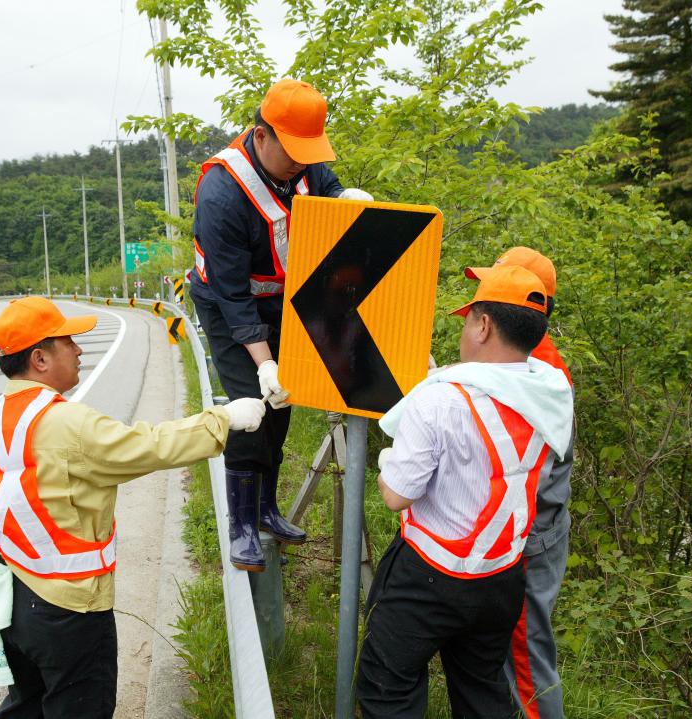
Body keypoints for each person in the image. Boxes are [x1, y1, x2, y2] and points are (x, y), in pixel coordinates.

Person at [0, 296, 265, 718]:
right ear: (40, 358)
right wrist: (223, 420)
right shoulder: (67, 423)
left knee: (25, 706)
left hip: (12, 597)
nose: (80, 350)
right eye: (69, 342)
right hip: (71, 607)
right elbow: (148, 446)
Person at [356, 265, 574, 718]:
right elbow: (496, 387)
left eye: (468, 316)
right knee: (481, 694)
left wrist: (387, 463)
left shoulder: (439, 400)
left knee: (387, 687)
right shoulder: (552, 389)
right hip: (501, 578)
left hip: (429, 574)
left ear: (484, 324)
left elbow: (396, 495)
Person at [191, 77, 372, 571]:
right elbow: (232, 297)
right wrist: (264, 361)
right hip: (229, 306)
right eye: (289, 150)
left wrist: (347, 199)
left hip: (283, 301)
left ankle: (267, 507)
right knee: (253, 404)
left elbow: (327, 190)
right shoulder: (223, 194)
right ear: (262, 133)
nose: (299, 161)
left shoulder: (304, 158)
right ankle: (242, 523)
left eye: (306, 152)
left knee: (282, 403)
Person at [472, 248, 573, 719]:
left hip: (531, 536)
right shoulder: (524, 358)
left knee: (527, 659)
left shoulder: (541, 373)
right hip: (530, 529)